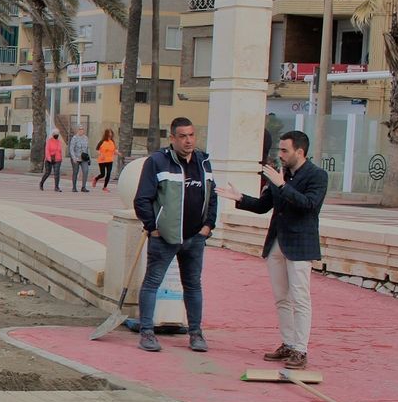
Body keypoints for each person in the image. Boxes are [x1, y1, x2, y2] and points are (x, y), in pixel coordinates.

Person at [216, 130, 327, 370]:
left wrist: (282, 185)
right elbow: (263, 206)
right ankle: (288, 343)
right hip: (277, 242)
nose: (280, 154)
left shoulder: (317, 176)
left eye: (285, 150)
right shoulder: (281, 175)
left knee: (300, 298)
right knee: (281, 298)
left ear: (300, 151)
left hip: (300, 245)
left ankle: (300, 349)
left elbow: (308, 205)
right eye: (280, 150)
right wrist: (239, 198)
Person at [133, 117, 218, 353]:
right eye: (182, 136)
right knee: (152, 283)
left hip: (195, 238)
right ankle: (147, 333)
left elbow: (213, 195)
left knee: (193, 286)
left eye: (191, 135)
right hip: (165, 238)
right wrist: (153, 227)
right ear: (172, 138)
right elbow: (142, 198)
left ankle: (196, 333)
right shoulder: (158, 162)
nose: (188, 140)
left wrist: (208, 226)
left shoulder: (204, 162)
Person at [69, 126, 92, 193]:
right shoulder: (74, 138)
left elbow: (88, 148)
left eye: (82, 129)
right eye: (80, 129)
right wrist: (73, 158)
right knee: (75, 172)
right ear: (77, 130)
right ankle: (74, 187)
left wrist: (89, 158)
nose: (81, 130)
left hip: (84, 158)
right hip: (76, 157)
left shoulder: (85, 138)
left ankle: (83, 187)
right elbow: (71, 148)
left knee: (86, 171)